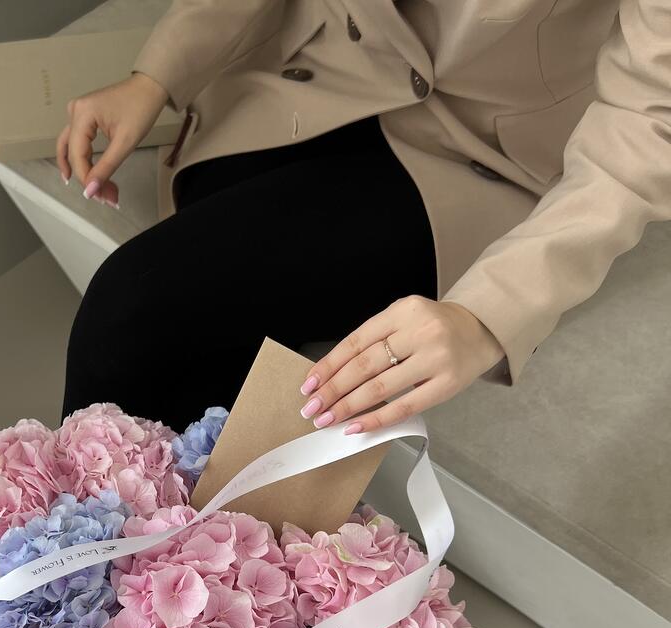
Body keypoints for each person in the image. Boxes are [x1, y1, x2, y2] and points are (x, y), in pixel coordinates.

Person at [58, 0, 671, 435]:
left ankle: (92, 560)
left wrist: (487, 315)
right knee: (193, 327)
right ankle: (176, 562)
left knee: (133, 306)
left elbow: (647, 123)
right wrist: (155, 76)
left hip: (478, 148)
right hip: (326, 71)